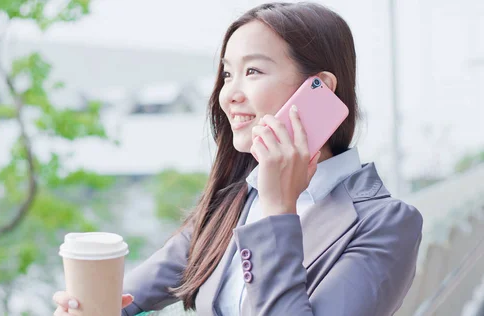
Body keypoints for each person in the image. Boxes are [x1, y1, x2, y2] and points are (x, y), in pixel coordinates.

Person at [53, 2, 423, 315]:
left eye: (252, 71)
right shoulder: (233, 202)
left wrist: (280, 208)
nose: (228, 93)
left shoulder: (386, 224)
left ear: (320, 88)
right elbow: (126, 297)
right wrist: (86, 306)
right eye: (228, 73)